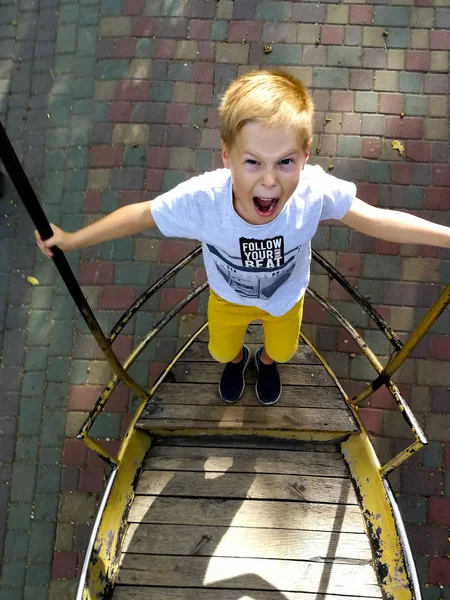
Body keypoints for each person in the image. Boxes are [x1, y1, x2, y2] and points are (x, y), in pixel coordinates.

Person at [36, 69, 450, 407]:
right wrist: (73, 240)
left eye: (285, 161)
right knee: (220, 350)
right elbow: (142, 214)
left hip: (286, 298)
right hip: (228, 298)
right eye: (252, 162)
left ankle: (266, 361)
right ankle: (237, 360)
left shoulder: (314, 191)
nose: (269, 180)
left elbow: (378, 220)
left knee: (284, 351)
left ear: (305, 157)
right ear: (227, 157)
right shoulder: (203, 200)